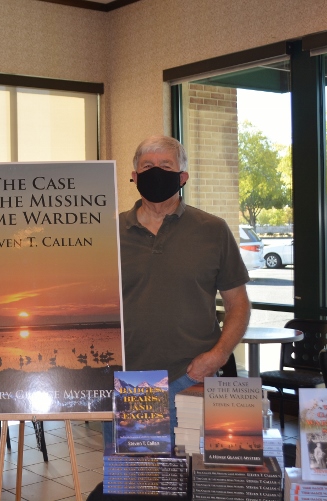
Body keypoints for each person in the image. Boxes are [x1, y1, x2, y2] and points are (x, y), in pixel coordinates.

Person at [119, 135, 251, 427]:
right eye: (148, 165)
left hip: (193, 375)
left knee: (199, 470)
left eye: (166, 166)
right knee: (140, 472)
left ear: (183, 176)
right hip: (129, 382)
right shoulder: (110, 233)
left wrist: (218, 355)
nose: (156, 172)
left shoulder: (213, 230)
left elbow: (238, 303)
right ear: (134, 176)